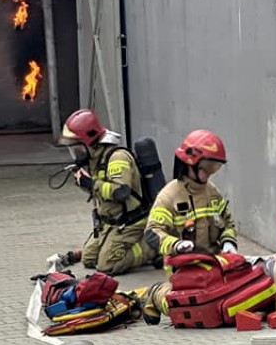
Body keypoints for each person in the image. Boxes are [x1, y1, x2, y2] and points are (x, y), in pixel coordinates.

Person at [139, 129, 238, 324]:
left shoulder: (212, 193)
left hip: (214, 264)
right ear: (189, 162)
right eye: (207, 166)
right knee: (189, 309)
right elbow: (152, 232)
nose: (209, 173)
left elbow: (228, 223)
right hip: (182, 270)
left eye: (214, 167)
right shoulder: (169, 196)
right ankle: (157, 294)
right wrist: (176, 245)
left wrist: (229, 242)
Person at [56, 109, 157, 275]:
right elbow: (99, 191)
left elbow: (121, 191)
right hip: (109, 224)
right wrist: (83, 182)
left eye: (78, 148)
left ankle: (152, 247)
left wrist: (92, 183)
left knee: (107, 266)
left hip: (130, 222)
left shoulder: (117, 158)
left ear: (90, 142)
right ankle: (112, 246)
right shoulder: (96, 159)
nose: (77, 154)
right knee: (89, 259)